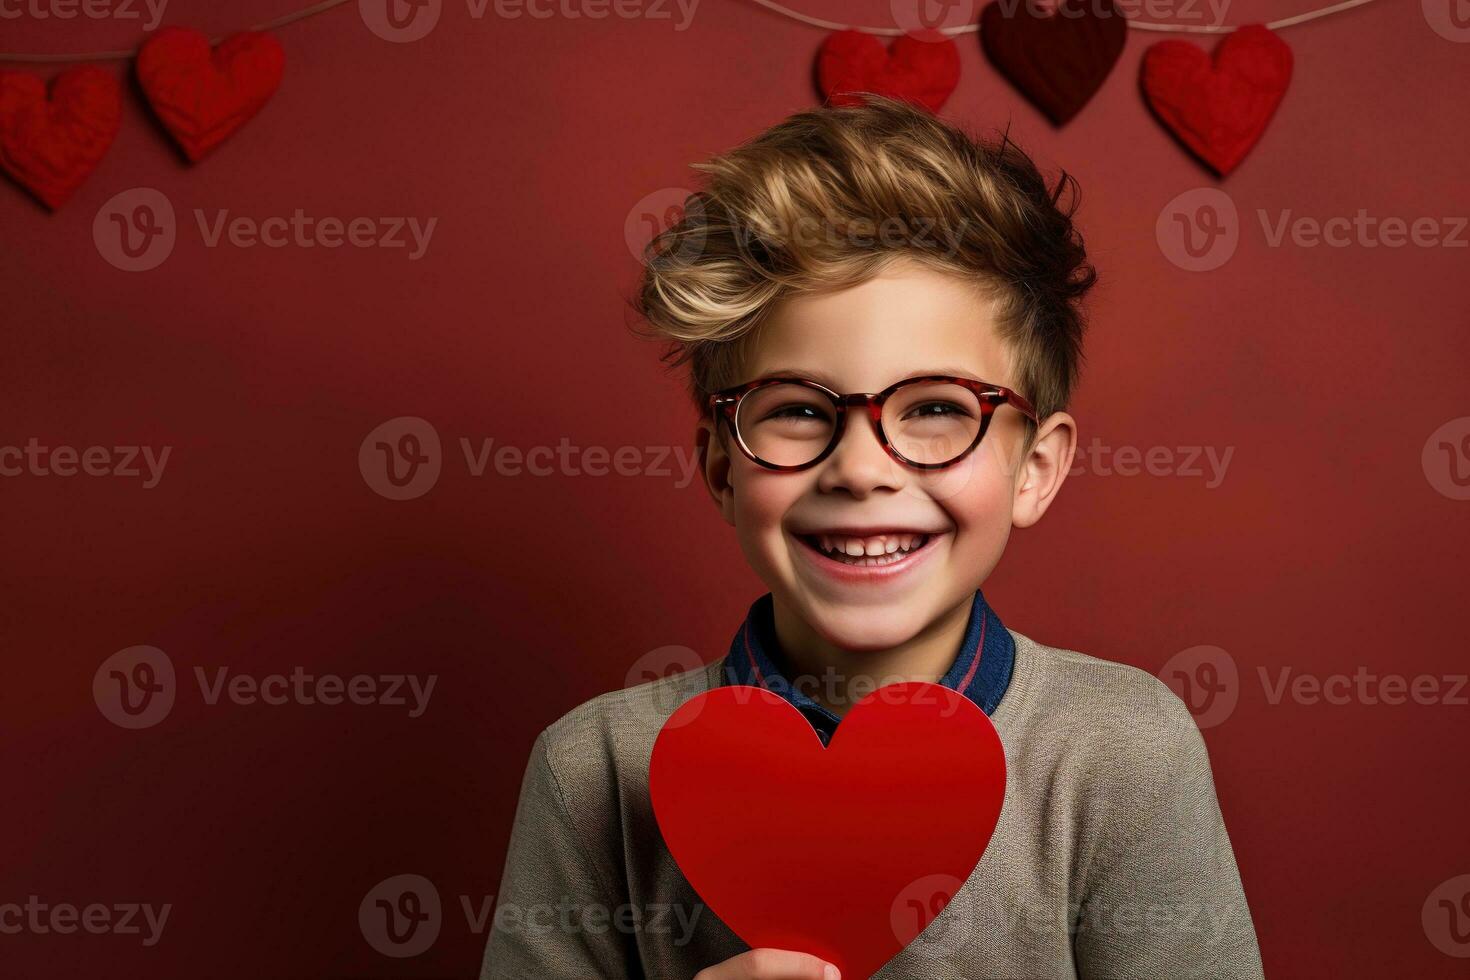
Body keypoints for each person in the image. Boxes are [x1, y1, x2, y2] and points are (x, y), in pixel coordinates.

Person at [479, 93, 1263, 979]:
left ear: (1034, 469)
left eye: (935, 408)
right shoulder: (591, 771)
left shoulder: (1122, 752)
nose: (861, 468)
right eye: (799, 412)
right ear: (720, 469)